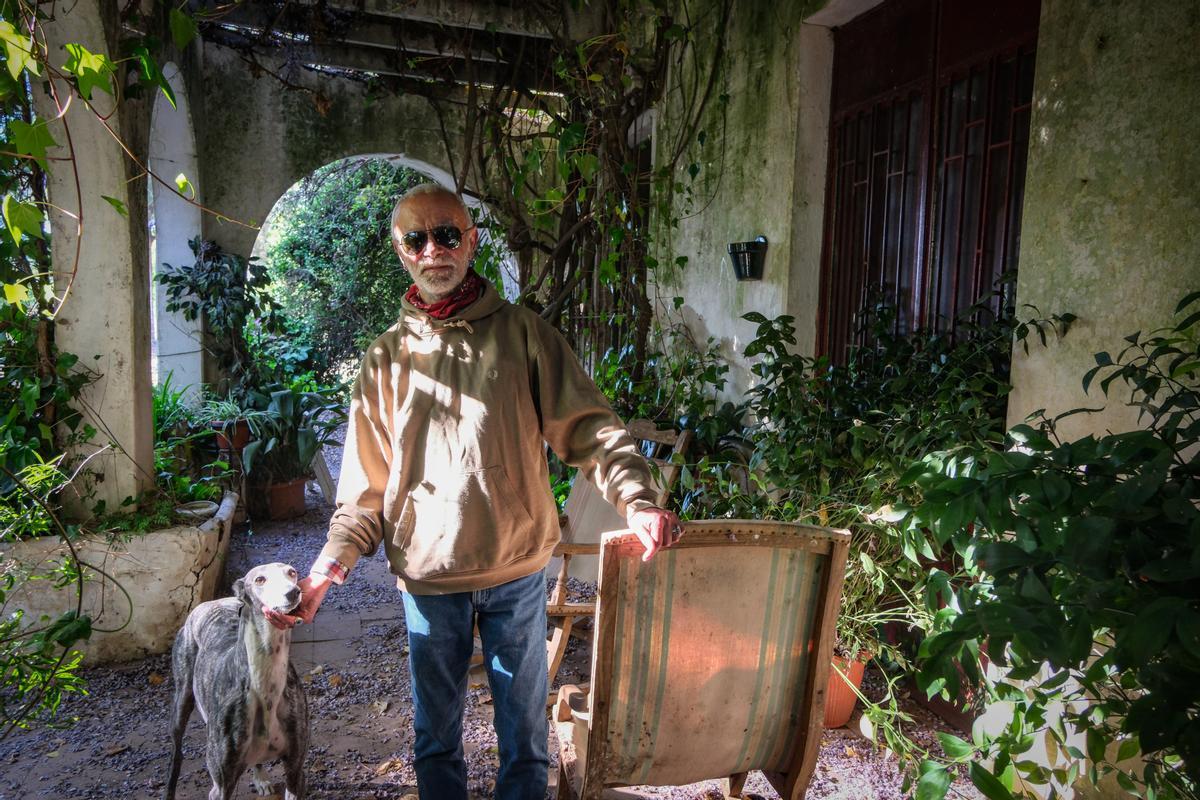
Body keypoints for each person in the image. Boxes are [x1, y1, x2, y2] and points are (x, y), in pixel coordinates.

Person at [265, 183, 682, 800]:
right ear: (400, 251)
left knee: (524, 736)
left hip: (516, 568)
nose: (434, 249)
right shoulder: (386, 360)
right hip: (430, 577)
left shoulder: (524, 336)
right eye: (417, 238)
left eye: (447, 234)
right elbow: (365, 490)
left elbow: (591, 430)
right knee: (436, 738)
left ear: (471, 241)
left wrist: (638, 501)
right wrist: (329, 570)